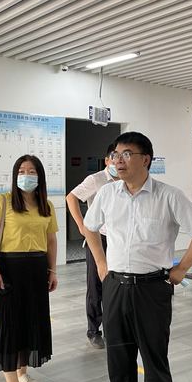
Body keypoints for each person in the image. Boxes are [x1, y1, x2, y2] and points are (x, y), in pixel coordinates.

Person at [83, 132, 192, 382]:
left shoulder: (169, 196)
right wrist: (101, 264)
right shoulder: (107, 194)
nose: (119, 160)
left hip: (152, 288)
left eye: (127, 154)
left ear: (146, 160)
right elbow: (89, 227)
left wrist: (181, 269)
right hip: (115, 286)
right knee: (118, 359)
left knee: (154, 361)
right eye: (115, 154)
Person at [0, 154, 58, 382]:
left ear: (40, 176)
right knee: (10, 324)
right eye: (22, 171)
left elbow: (51, 241)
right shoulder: (2, 201)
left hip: (37, 269)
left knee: (31, 321)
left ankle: (22, 372)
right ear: (15, 175)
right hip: (9, 269)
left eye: (32, 171)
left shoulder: (46, 205)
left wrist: (52, 270)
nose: (27, 175)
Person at [66, 143, 119, 349]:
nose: (118, 161)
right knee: (96, 286)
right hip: (98, 239)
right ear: (106, 160)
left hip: (118, 240)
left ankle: (112, 328)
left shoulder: (125, 180)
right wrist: (82, 226)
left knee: (115, 285)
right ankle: (94, 331)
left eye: (122, 156)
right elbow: (71, 197)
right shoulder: (96, 179)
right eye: (114, 157)